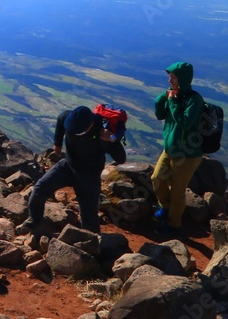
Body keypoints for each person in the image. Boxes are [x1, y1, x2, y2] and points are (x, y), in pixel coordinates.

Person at [23, 105, 126, 233]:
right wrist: (57, 143)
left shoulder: (102, 134)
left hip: (89, 176)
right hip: (68, 166)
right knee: (40, 188)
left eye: (75, 130)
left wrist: (112, 139)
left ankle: (91, 239)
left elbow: (121, 159)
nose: (72, 131)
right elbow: (61, 119)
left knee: (88, 214)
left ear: (90, 125)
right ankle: (35, 220)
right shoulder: (69, 118)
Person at [151, 61, 205, 232]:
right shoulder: (173, 95)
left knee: (177, 190)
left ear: (183, 79)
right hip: (170, 149)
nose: (170, 80)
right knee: (157, 178)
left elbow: (184, 123)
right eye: (170, 77)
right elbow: (160, 115)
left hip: (188, 154)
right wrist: (162, 98)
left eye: (173, 78)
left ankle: (174, 224)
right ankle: (165, 207)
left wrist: (173, 102)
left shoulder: (194, 100)